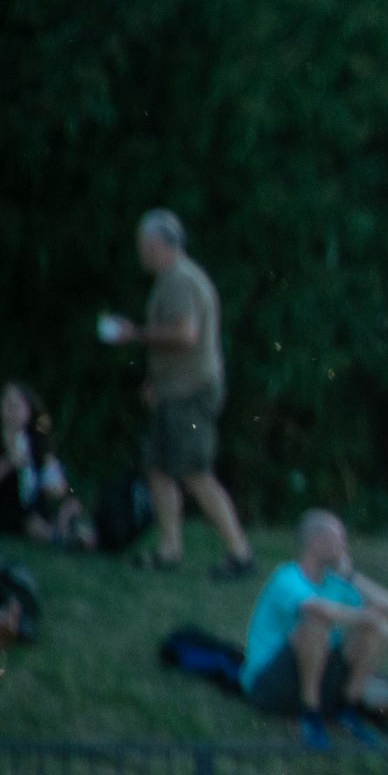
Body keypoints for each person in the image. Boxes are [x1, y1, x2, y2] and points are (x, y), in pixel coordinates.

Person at [101, 210, 254, 578]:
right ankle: (169, 550)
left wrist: (134, 334)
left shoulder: (181, 280)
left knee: (194, 472)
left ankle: (240, 555)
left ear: (157, 244)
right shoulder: (172, 278)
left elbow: (185, 334)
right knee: (157, 468)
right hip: (172, 391)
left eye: (143, 245)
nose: (141, 252)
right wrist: (156, 380)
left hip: (191, 394)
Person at [239, 509, 388, 751]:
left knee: (381, 629)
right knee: (315, 624)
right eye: (339, 539)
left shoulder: (334, 581)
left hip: (318, 671)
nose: (344, 546)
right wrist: (364, 616)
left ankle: (347, 708)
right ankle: (310, 714)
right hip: (270, 684)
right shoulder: (286, 577)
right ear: (316, 542)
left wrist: (350, 575)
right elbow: (316, 609)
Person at [2, 383, 95, 548]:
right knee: (30, 520)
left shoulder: (37, 444)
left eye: (17, 404)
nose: (12, 410)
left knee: (69, 505)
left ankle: (73, 534)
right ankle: (61, 538)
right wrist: (10, 463)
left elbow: (55, 488)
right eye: (8, 403)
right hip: (8, 505)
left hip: (33, 505)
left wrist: (61, 490)